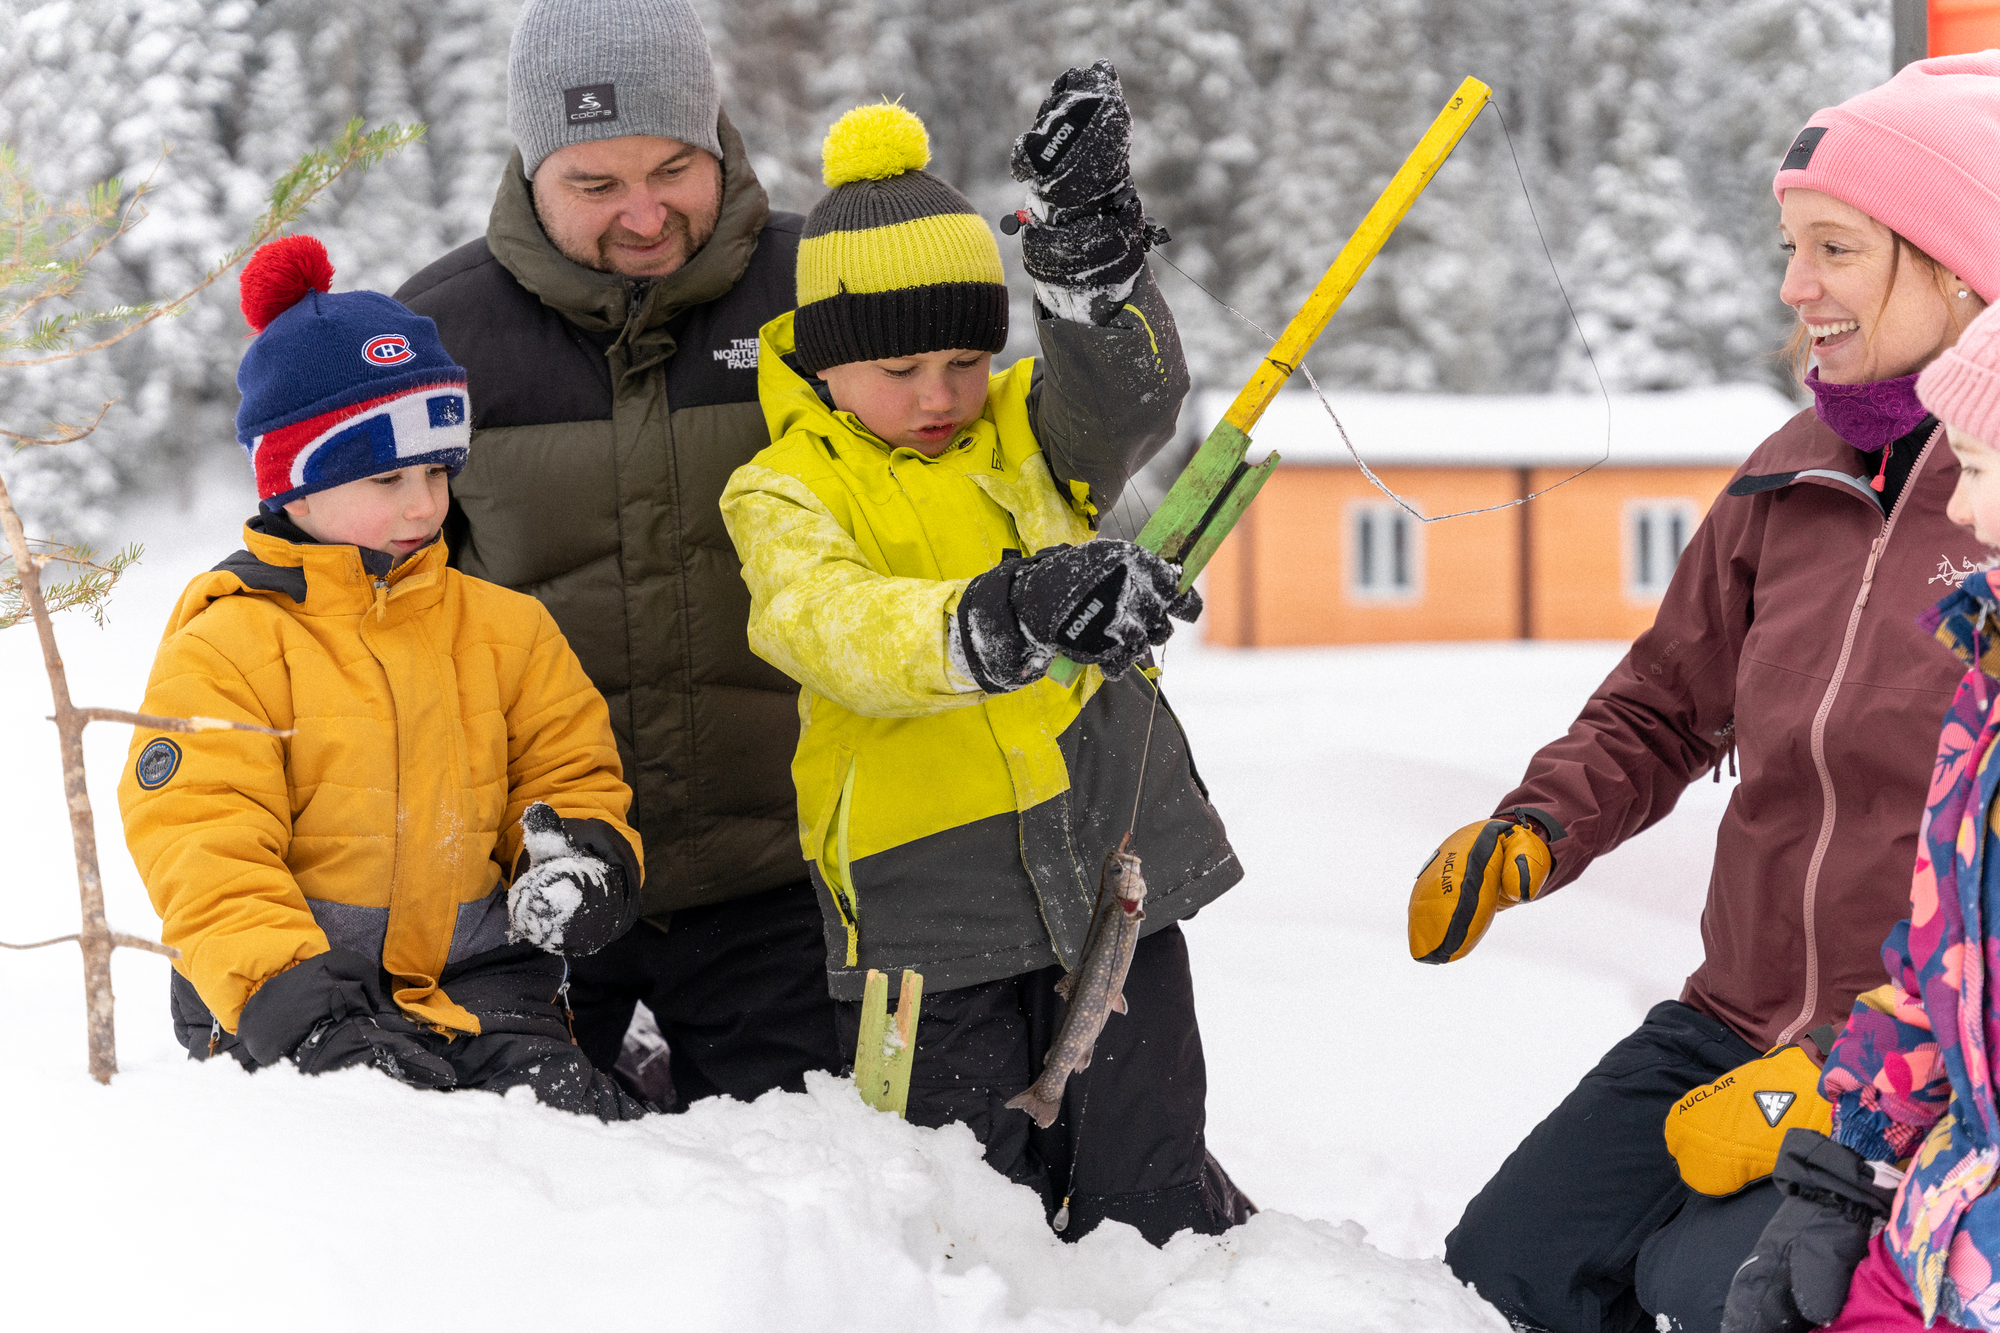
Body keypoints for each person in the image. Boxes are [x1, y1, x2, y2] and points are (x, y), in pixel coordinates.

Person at [1408, 53, 2000, 1333]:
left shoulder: (1990, 501)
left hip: (1910, 1061)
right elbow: (1664, 702)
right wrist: (1533, 829)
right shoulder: (1784, 477)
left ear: (1958, 267)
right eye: (1790, 246)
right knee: (1503, 1265)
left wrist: (1837, 1080)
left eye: (1834, 248)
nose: (1796, 287)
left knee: (1711, 1294)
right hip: (1729, 1014)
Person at [719, 81, 1250, 1245]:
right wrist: (1011, 611)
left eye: (966, 357)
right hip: (928, 916)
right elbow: (835, 628)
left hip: (1116, 867)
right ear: (822, 363)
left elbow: (1126, 399)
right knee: (963, 1212)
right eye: (900, 368)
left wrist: (1088, 273)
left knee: (1150, 1184)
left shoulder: (1026, 426)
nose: (939, 395)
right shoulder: (782, 490)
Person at [393, 0, 842, 1107]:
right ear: (532, 169)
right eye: (595, 185)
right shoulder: (439, 337)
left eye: (675, 168)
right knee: (548, 1213)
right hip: (532, 888)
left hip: (779, 884)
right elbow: (370, 609)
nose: (644, 215)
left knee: (807, 1202)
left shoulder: (818, 290)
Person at [118, 236, 648, 1121]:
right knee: (376, 1161)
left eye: (439, 470)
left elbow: (569, 770)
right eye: (387, 475)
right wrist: (300, 1008)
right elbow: (205, 845)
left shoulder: (505, 629)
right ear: (292, 482)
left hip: (480, 988)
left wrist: (576, 861)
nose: (423, 505)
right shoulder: (231, 642)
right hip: (288, 1010)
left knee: (578, 1140)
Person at [1718, 301, 2000, 1333]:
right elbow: (1942, 964)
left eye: (1972, 466)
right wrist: (1844, 1169)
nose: (1960, 513)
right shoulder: (1985, 681)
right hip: (1943, 1214)